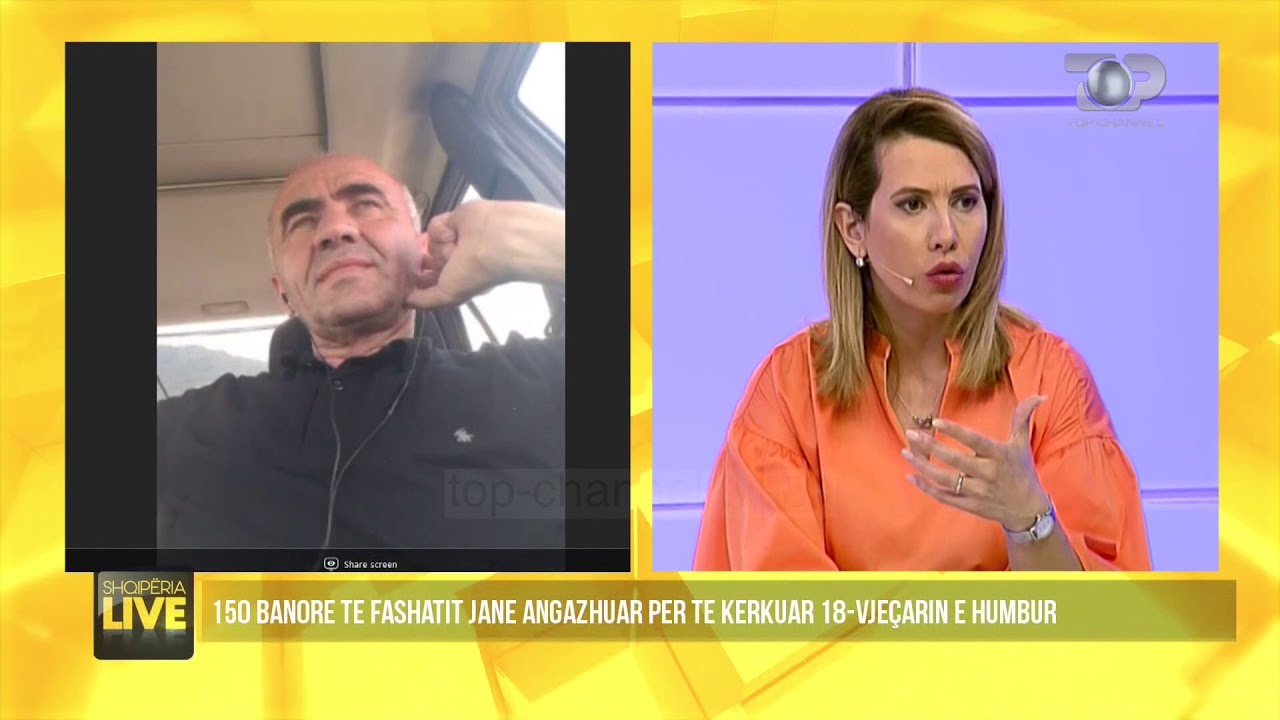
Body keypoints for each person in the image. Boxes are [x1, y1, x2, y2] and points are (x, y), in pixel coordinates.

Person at [693, 88, 1152, 572]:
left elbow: (1099, 613)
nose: (947, 235)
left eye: (965, 201)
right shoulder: (788, 393)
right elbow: (782, 612)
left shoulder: (1051, 379)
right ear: (853, 229)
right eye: (913, 205)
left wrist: (1029, 520)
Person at [156, 154, 567, 568]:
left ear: (422, 251)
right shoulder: (188, 430)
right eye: (302, 223)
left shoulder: (537, 388)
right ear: (284, 295)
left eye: (367, 205)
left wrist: (539, 241)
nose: (334, 230)